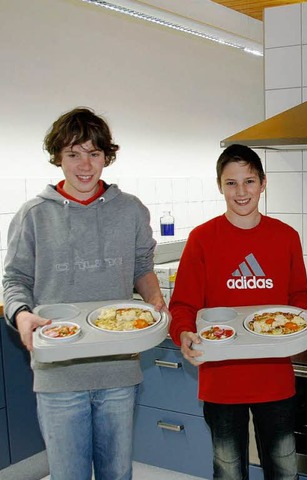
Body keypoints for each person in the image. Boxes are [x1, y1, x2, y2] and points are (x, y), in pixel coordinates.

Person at [2, 107, 166, 480]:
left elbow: (142, 267)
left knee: (116, 475)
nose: (85, 165)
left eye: (94, 153)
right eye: (73, 153)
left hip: (118, 371)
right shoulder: (34, 215)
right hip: (59, 374)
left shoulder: (131, 210)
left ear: (106, 156)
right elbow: (14, 280)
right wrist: (21, 314)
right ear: (58, 157)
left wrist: (155, 301)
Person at [168, 144, 307, 480]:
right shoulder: (202, 239)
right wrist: (184, 333)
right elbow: (183, 305)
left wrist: (303, 322)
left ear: (263, 183)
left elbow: (299, 297)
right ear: (220, 186)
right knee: (229, 470)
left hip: (274, 376)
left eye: (249, 181)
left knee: (285, 469)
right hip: (221, 378)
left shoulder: (286, 237)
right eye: (231, 183)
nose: (241, 191)